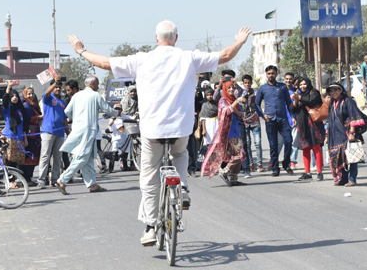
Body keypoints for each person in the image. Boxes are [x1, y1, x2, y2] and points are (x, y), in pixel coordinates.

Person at [66, 20, 251, 246]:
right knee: (181, 155)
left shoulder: (141, 59)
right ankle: (182, 185)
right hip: (181, 127)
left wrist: (81, 50)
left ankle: (151, 227)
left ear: (156, 38)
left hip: (152, 129)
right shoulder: (188, 57)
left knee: (149, 177)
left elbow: (105, 63)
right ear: (176, 38)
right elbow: (224, 56)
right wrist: (239, 41)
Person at [56, 75, 118, 194]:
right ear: (93, 84)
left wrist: (77, 119)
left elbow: (67, 111)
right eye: (97, 84)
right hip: (89, 130)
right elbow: (107, 109)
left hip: (78, 128)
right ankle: (62, 180)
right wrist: (117, 113)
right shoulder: (95, 95)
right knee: (82, 157)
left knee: (88, 157)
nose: (98, 86)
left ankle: (92, 185)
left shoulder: (77, 95)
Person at [201, 80, 247, 186]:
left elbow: (237, 111)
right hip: (228, 132)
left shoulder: (232, 99)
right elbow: (226, 111)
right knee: (241, 155)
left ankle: (233, 179)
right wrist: (236, 102)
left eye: (232, 87)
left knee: (235, 156)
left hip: (236, 130)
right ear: (225, 89)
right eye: (229, 88)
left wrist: (241, 113)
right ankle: (224, 171)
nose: (231, 89)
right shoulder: (223, 100)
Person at [255, 65, 293, 177]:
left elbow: (288, 103)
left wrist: (293, 116)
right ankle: (275, 168)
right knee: (273, 145)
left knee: (288, 141)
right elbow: (256, 104)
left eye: (273, 73)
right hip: (270, 120)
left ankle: (286, 164)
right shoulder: (262, 88)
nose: (271, 75)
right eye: (269, 73)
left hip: (283, 119)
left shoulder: (282, 87)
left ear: (276, 74)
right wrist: (263, 115)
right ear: (266, 75)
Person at [326, 82, 366, 186]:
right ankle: (343, 178)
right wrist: (327, 135)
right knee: (340, 156)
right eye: (332, 91)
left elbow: (354, 116)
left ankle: (352, 179)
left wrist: (352, 132)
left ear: (341, 90)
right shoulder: (332, 103)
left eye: (336, 90)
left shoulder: (348, 101)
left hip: (347, 132)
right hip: (336, 134)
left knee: (351, 156)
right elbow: (330, 120)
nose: (334, 92)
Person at [290, 78, 325, 182]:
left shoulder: (314, 92)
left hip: (313, 125)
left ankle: (319, 172)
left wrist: (299, 97)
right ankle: (307, 172)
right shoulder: (298, 95)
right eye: (300, 85)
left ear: (309, 84)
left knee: (316, 148)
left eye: (304, 84)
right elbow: (292, 109)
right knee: (305, 148)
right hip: (302, 125)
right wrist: (295, 100)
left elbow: (311, 101)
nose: (302, 86)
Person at [37, 80, 68, 189]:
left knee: (57, 157)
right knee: (45, 156)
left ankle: (55, 179)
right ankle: (41, 180)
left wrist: (68, 133)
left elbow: (65, 119)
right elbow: (46, 92)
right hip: (48, 132)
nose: (58, 89)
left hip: (60, 133)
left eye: (59, 87)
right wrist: (55, 82)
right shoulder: (48, 98)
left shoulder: (63, 102)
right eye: (56, 87)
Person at [2, 81, 30, 179]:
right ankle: (10, 180)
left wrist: (25, 138)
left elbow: (24, 126)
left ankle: (19, 179)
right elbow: (4, 100)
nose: (15, 97)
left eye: (16, 96)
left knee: (20, 159)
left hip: (20, 138)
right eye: (12, 96)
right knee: (10, 159)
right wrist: (9, 87)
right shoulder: (7, 109)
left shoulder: (20, 110)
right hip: (10, 137)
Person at [241, 74, 264, 172]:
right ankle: (250, 164)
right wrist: (242, 97)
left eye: (249, 83)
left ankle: (259, 164)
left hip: (255, 121)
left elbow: (258, 105)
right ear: (243, 84)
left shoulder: (256, 93)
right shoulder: (240, 93)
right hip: (245, 121)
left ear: (251, 83)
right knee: (247, 143)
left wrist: (263, 115)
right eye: (245, 83)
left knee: (257, 142)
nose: (247, 85)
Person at [22, 86, 42, 184]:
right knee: (29, 157)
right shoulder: (26, 105)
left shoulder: (33, 105)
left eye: (32, 93)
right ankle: (26, 178)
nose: (31, 95)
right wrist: (39, 117)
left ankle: (28, 178)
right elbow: (28, 119)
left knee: (34, 157)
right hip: (29, 135)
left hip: (35, 134)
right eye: (28, 93)